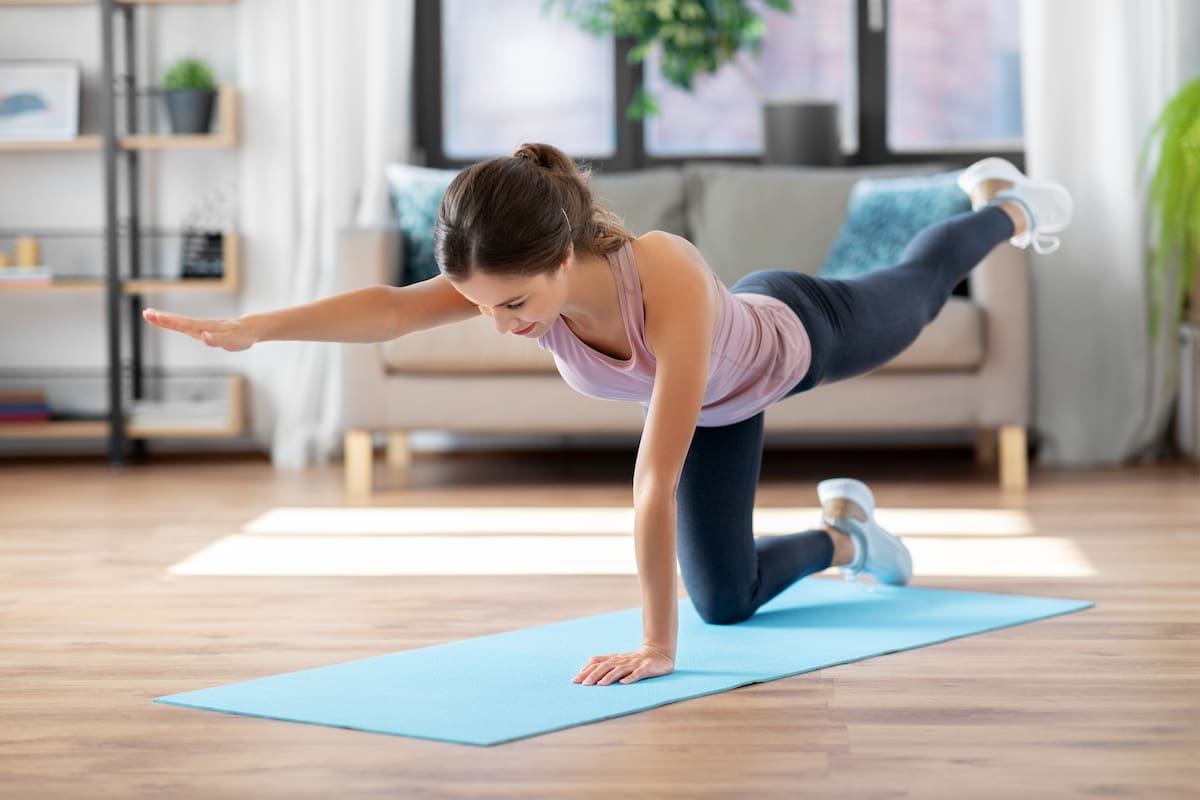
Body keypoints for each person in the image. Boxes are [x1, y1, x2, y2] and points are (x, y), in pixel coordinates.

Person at [143, 144, 1072, 688]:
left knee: (912, 291)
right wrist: (256, 328)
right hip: (721, 407)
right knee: (729, 601)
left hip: (796, 334)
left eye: (513, 305)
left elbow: (654, 477)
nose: (502, 326)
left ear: (558, 258)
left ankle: (1003, 206)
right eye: (482, 307)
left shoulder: (657, 271)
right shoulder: (509, 281)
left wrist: (657, 647)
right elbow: (388, 308)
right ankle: (847, 536)